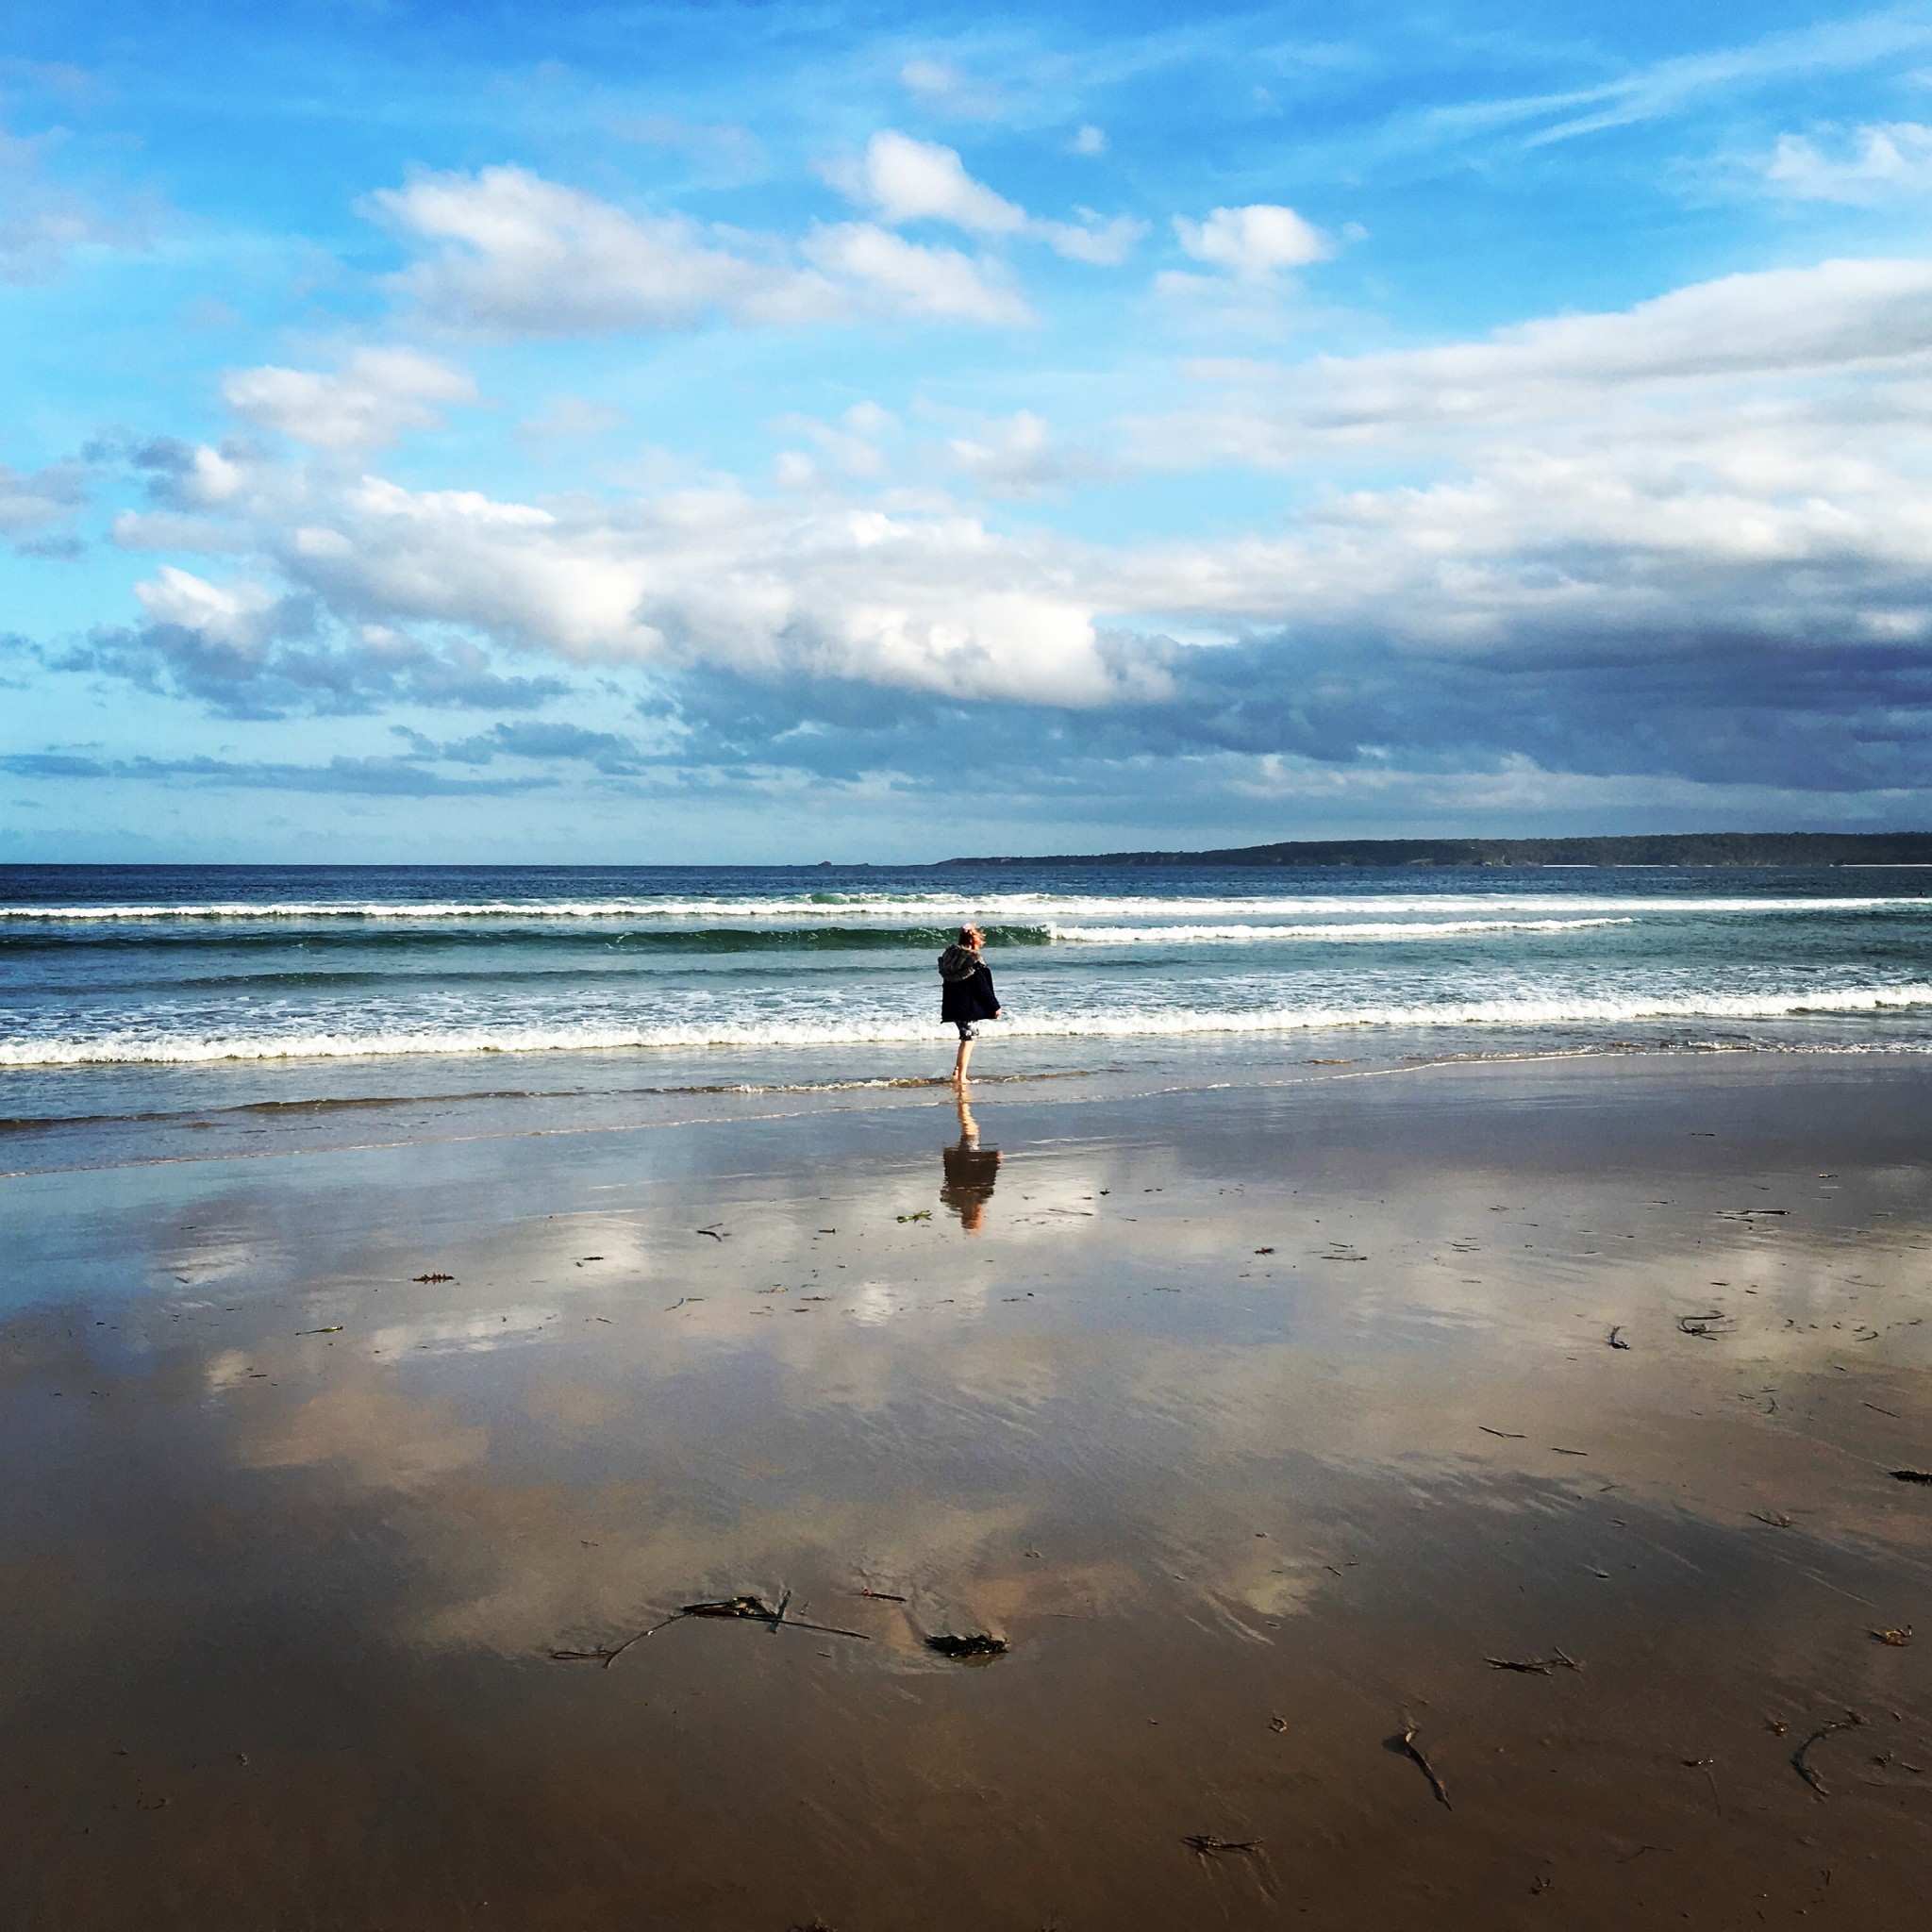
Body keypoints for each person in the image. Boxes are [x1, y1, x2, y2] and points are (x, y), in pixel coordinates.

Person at [937, 923, 1001, 1084]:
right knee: (968, 1040)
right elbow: (982, 987)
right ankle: (961, 1077)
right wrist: (994, 1006)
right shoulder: (974, 960)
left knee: (965, 1037)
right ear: (976, 941)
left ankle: (957, 1071)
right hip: (968, 1006)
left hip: (952, 1004)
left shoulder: (949, 957)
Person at [941, 1092, 1001, 1232]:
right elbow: (949, 1178)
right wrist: (948, 1157)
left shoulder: (980, 1196)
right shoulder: (954, 1200)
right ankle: (961, 1098)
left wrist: (995, 1158)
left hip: (970, 1154)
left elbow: (988, 1175)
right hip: (960, 1157)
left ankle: (962, 1098)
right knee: (969, 1128)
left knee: (968, 1126)